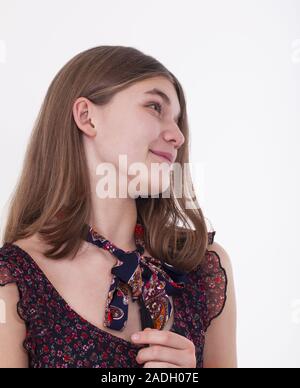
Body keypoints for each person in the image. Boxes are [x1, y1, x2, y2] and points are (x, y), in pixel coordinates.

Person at [0, 45, 237, 368]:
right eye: (155, 106)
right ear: (87, 117)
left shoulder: (203, 264)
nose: (178, 135)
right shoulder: (13, 278)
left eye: (178, 120)